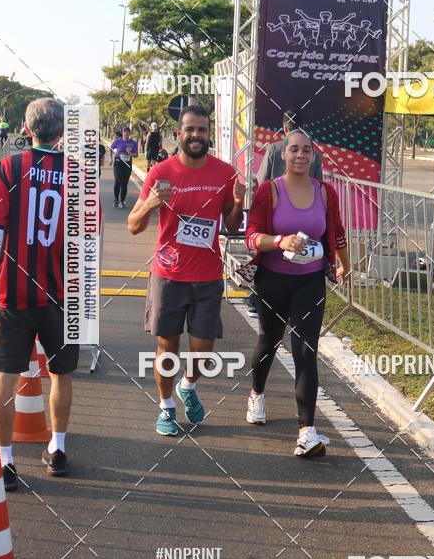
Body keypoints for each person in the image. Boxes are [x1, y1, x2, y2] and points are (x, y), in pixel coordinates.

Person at [127, 104, 245, 437]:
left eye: (202, 130)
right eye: (190, 129)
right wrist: (151, 204)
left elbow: (231, 226)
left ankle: (188, 386)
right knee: (167, 347)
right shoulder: (160, 173)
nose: (196, 135)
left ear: (209, 135)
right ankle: (166, 406)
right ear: (178, 133)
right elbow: (134, 225)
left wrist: (238, 203)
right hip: (168, 275)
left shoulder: (224, 173)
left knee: (203, 352)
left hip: (208, 275)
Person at [243, 128, 349, 457]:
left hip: (310, 281)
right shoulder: (269, 191)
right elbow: (252, 236)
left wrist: (345, 265)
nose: (300, 155)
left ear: (313, 156)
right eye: (294, 149)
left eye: (306, 150)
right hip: (273, 280)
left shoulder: (326, 192)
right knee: (269, 341)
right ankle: (257, 394)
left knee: (305, 350)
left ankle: (307, 432)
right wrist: (280, 241)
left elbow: (337, 231)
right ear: (283, 154)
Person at [0, 98, 81, 490]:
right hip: (61, 294)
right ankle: (57, 448)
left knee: (6, 374)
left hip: (13, 292)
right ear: (62, 131)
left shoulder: (9, 168)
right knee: (61, 372)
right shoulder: (77, 174)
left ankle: (6, 461)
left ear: (28, 129)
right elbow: (86, 240)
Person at [249, 111, 323, 319]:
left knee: (271, 260)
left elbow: (262, 181)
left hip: (275, 219)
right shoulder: (313, 153)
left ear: (285, 128)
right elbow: (319, 184)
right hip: (304, 219)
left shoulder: (274, 148)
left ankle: (257, 301)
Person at [110, 126, 138, 208]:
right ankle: (116, 199)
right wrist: (111, 159)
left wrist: (131, 154)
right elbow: (110, 148)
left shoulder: (133, 143)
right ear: (122, 133)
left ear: (129, 133)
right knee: (118, 181)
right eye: (124, 132)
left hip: (127, 164)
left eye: (127, 132)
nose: (126, 133)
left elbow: (136, 155)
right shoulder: (118, 141)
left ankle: (122, 201)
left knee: (124, 183)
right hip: (118, 163)